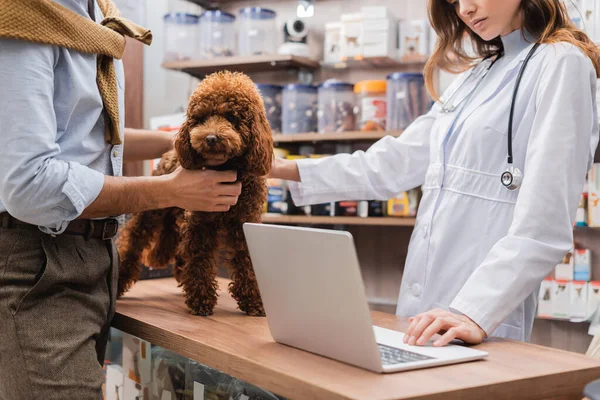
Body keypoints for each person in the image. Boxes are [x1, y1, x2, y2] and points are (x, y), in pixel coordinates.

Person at [270, 0, 600, 347]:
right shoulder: (478, 73)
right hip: (422, 314)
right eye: (454, 1)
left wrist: (474, 312)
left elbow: (544, 223)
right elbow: (393, 162)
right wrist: (281, 167)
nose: (464, 9)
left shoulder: (561, 62)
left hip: (478, 321)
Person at [0, 0, 240, 398]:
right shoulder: (25, 14)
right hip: (37, 264)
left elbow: (88, 139)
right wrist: (169, 190)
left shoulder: (96, 14)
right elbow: (31, 184)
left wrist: (184, 141)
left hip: (96, 259)